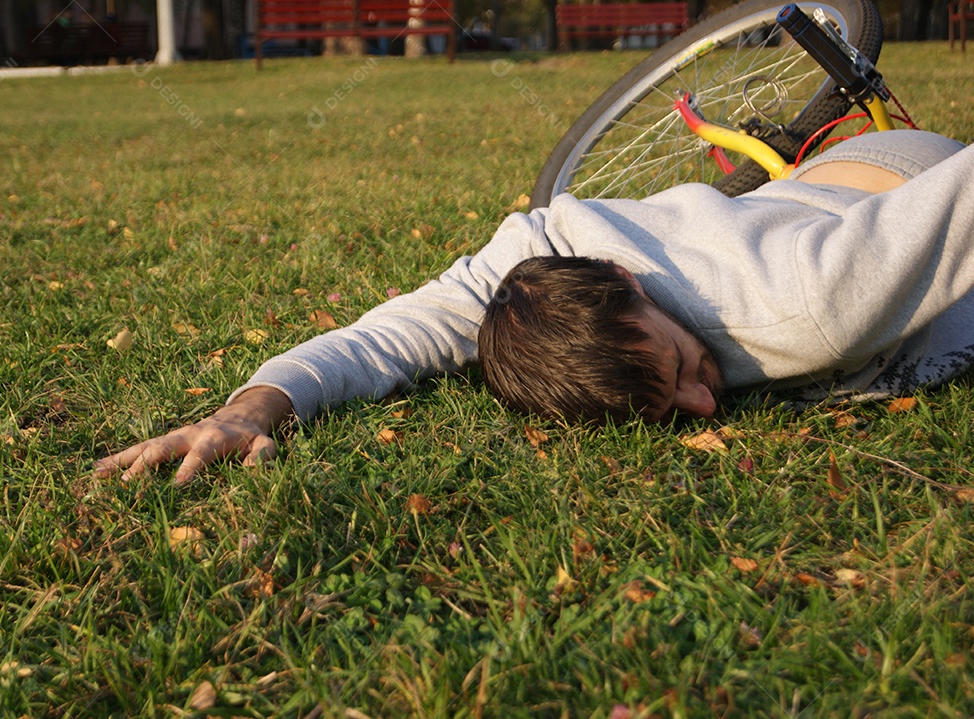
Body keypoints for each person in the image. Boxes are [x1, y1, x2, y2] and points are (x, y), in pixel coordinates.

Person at [95, 130, 974, 485]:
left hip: (892, 173)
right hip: (795, 203)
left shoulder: (811, 302)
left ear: (627, 283)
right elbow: (382, 341)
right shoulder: (525, 262)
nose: (707, 405)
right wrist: (248, 409)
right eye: (674, 405)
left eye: (677, 369)